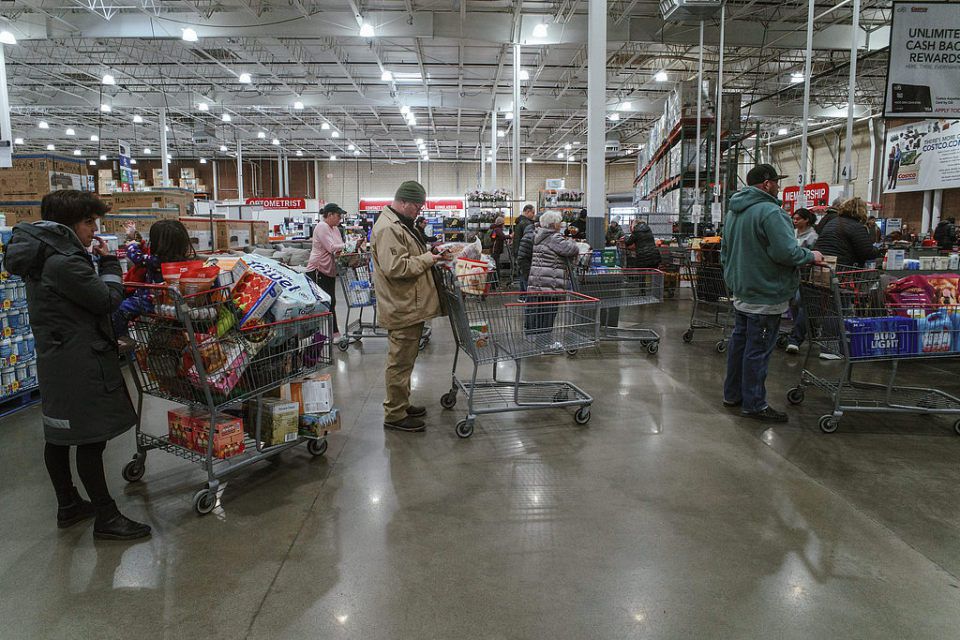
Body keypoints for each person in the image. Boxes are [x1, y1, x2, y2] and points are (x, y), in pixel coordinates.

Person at [4, 190, 151, 540]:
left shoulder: (42, 254)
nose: (94, 229)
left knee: (59, 435)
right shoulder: (64, 262)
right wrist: (111, 264)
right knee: (91, 438)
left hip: (58, 356)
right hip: (79, 359)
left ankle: (68, 504)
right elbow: (106, 301)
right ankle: (106, 516)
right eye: (88, 222)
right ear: (67, 224)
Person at [720, 164, 823, 422]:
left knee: (740, 346)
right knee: (758, 351)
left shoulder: (733, 212)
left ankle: (733, 394)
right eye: (776, 182)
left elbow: (725, 251)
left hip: (743, 291)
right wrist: (811, 255)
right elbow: (786, 252)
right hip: (765, 294)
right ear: (767, 183)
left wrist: (734, 278)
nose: (778, 186)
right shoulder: (771, 212)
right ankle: (754, 404)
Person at [370, 181, 446, 433]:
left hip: (408, 304)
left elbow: (406, 256)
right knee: (400, 362)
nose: (419, 211)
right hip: (401, 305)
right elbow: (397, 267)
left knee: (405, 360)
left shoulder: (400, 224)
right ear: (403, 202)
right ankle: (394, 414)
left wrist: (429, 252)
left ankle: (401, 404)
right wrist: (428, 258)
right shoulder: (388, 228)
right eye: (417, 206)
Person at [526, 211, 579, 336]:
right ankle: (544, 342)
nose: (561, 225)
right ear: (553, 225)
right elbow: (572, 249)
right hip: (550, 284)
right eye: (559, 223)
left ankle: (539, 339)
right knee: (548, 317)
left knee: (540, 315)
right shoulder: (553, 237)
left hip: (538, 282)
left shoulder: (539, 235)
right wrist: (572, 241)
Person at [307, 203, 352, 336]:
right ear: (330, 215)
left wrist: (351, 247)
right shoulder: (322, 226)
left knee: (331, 301)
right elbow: (331, 247)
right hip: (318, 269)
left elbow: (340, 247)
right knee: (324, 303)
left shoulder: (335, 229)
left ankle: (333, 333)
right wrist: (348, 245)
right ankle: (325, 334)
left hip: (330, 269)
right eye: (338, 216)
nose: (340, 219)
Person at [785, 208, 818, 354]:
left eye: (798, 218)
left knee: (800, 302)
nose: (795, 221)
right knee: (793, 303)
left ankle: (798, 335)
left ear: (806, 220)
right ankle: (805, 329)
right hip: (791, 273)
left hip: (805, 275)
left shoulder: (813, 237)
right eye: (794, 218)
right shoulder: (792, 233)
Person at [813, 197, 879, 268]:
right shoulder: (856, 226)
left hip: (822, 263)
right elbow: (867, 252)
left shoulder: (833, 222)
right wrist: (877, 250)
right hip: (843, 266)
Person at [512, 204, 536, 290]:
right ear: (527, 211)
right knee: (526, 275)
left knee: (522, 274)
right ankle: (525, 294)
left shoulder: (519, 222)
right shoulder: (526, 223)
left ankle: (522, 294)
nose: (533, 215)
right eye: (533, 213)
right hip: (524, 252)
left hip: (518, 251)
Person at [488, 215, 507, 282]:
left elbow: (493, 237)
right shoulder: (497, 229)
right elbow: (503, 236)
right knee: (496, 266)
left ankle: (495, 281)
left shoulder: (494, 229)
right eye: (503, 223)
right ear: (501, 224)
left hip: (494, 250)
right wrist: (510, 236)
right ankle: (497, 281)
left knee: (494, 265)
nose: (504, 225)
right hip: (495, 250)